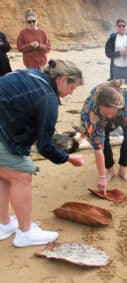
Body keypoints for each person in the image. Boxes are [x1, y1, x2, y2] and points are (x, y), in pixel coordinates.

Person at [0, 59, 84, 248]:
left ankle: (3, 224)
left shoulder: (35, 75)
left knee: (5, 174)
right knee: (22, 175)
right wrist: (69, 158)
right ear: (62, 80)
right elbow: (44, 146)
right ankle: (25, 232)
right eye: (72, 87)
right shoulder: (48, 97)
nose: (71, 93)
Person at [78, 80, 127, 191]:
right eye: (106, 113)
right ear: (99, 107)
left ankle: (123, 170)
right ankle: (109, 170)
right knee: (102, 141)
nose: (110, 116)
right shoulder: (91, 112)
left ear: (118, 106)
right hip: (100, 119)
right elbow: (98, 148)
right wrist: (101, 177)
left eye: (112, 112)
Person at [105, 18, 127, 84]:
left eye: (123, 26)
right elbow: (108, 53)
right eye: (119, 26)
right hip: (117, 68)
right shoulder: (112, 38)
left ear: (126, 27)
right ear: (116, 27)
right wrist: (119, 53)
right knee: (118, 89)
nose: (121, 27)